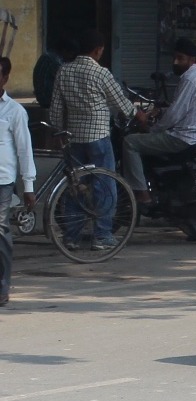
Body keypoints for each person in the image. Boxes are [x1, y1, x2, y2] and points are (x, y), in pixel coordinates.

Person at [49, 28, 138, 252]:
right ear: (98, 50)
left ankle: (71, 236)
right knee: (104, 185)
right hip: (98, 138)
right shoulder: (101, 73)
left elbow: (56, 111)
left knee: (76, 186)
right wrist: (139, 115)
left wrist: (59, 132)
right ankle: (102, 235)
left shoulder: (63, 71)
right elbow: (123, 105)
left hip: (73, 139)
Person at [122, 39, 196, 207]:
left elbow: (174, 115)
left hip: (183, 138)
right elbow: (183, 109)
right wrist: (160, 111)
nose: (175, 62)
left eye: (180, 58)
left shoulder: (189, 79)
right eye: (174, 57)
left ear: (192, 60)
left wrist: (152, 129)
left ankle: (142, 194)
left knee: (130, 142)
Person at [0, 57, 36, 307]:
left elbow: (24, 150)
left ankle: (2, 286)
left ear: (5, 78)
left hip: (2, 181)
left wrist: (28, 186)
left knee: (0, 230)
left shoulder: (14, 111)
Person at [33, 35, 76, 110]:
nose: (70, 57)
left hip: (43, 98)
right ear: (64, 50)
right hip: (48, 99)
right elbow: (66, 80)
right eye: (70, 54)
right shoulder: (54, 61)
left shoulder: (47, 56)